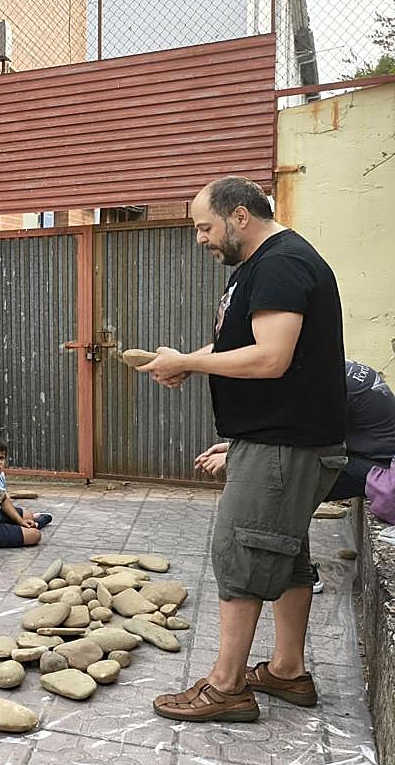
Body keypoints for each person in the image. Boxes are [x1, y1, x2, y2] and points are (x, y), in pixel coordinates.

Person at [138, 176, 347, 723]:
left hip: (284, 444)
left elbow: (271, 357)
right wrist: (183, 359)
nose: (200, 239)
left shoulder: (280, 262)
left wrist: (189, 363)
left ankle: (227, 686)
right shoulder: (264, 266)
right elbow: (241, 347)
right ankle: (286, 670)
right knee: (287, 557)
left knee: (239, 555)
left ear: (238, 216)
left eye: (204, 227)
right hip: (283, 439)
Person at [196, 358, 394, 501]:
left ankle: (281, 553)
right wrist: (236, 448)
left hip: (382, 469)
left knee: (284, 476)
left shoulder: (327, 387)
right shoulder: (327, 367)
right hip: (372, 457)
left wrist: (236, 457)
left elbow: (298, 444)